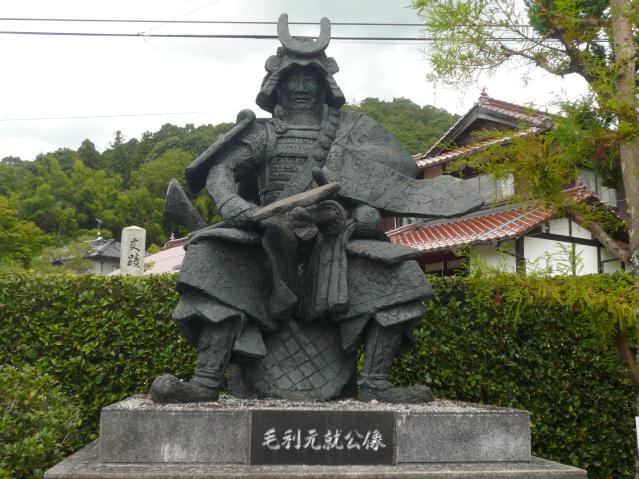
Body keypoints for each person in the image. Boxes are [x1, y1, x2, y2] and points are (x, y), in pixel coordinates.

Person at [150, 15, 482, 404]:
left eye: (310, 79)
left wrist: (354, 211)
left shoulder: (353, 131)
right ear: (277, 85)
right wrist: (232, 203)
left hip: (332, 239)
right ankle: (206, 380)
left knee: (402, 274)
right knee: (211, 254)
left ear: (326, 85)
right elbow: (221, 170)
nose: (301, 87)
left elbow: (398, 169)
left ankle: (376, 382)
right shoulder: (263, 133)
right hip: (269, 237)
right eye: (292, 78)